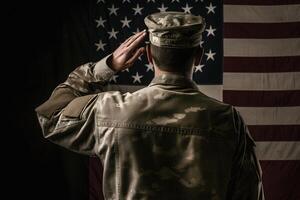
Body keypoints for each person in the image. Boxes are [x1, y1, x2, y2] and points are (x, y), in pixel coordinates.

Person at [36, 12, 264, 200]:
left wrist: (106, 67)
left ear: (147, 56)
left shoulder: (110, 109)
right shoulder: (228, 120)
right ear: (199, 56)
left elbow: (51, 115)